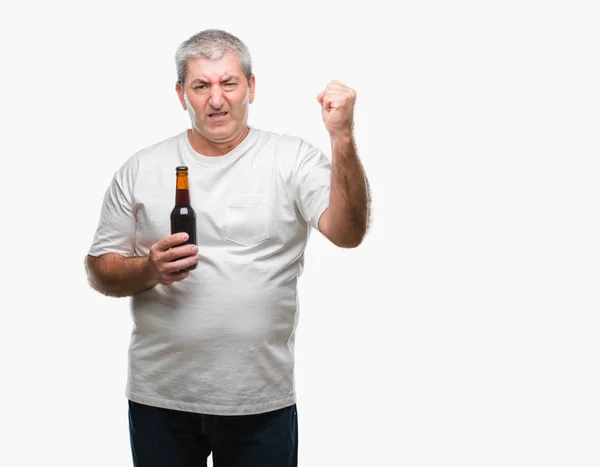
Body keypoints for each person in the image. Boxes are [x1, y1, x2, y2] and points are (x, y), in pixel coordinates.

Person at [84, 28, 371, 467]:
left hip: (260, 401)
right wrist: (148, 270)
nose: (216, 99)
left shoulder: (290, 159)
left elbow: (347, 232)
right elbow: (98, 268)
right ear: (182, 94)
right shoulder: (143, 167)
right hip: (161, 400)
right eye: (201, 86)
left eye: (228, 83)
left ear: (251, 87)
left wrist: (343, 137)